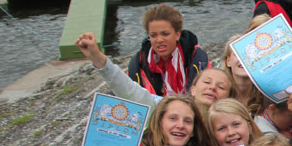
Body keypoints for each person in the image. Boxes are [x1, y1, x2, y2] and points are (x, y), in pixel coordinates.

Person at [76, 32, 231, 109]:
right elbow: (129, 91)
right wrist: (98, 59)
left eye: (221, 87)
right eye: (207, 82)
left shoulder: (229, 119)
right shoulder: (168, 108)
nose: (212, 87)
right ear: (193, 89)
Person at [127, 4, 209, 96]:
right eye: (153, 35)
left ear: (177, 35)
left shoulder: (196, 59)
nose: (159, 40)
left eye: (165, 34)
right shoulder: (139, 63)